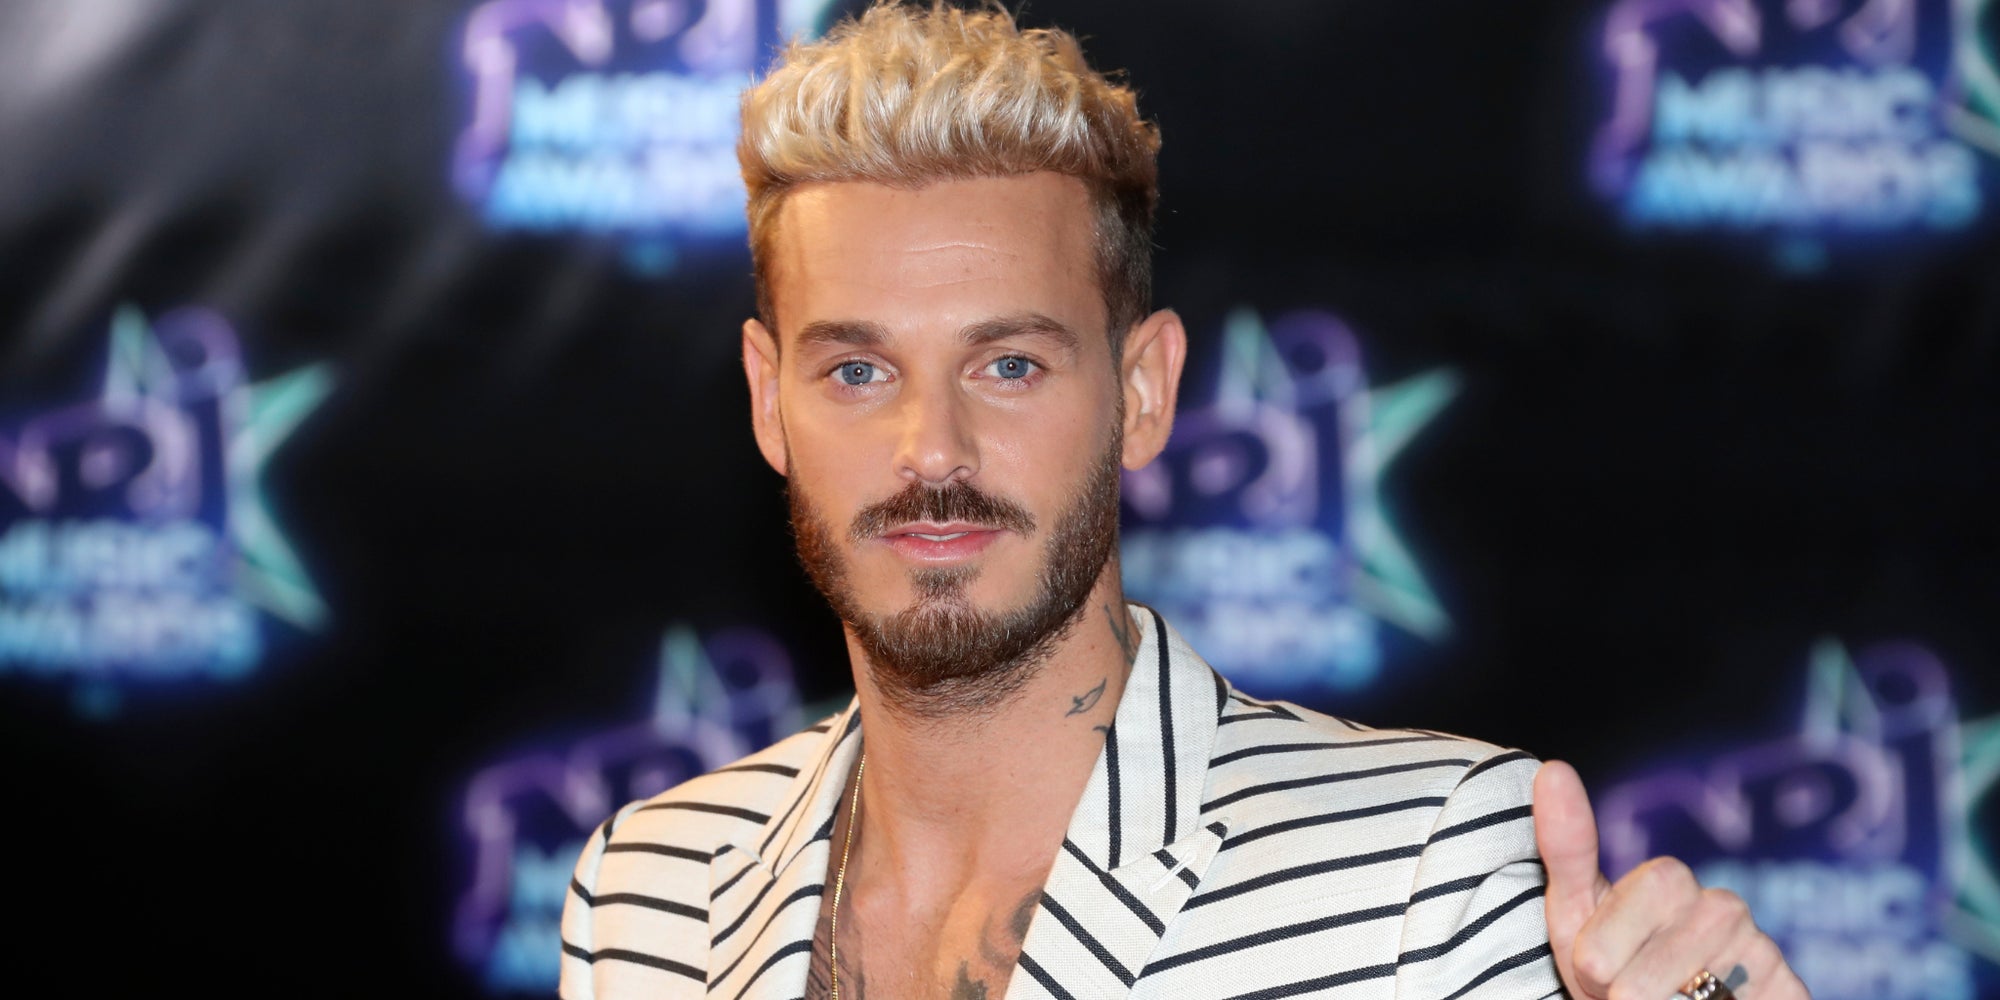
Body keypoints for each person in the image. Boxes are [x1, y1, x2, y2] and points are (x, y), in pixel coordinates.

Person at [560, 4, 1810, 998]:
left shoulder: (1429, 874)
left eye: (1008, 364)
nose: (929, 448)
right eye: (856, 370)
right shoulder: (645, 890)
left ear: (1144, 391)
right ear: (768, 401)